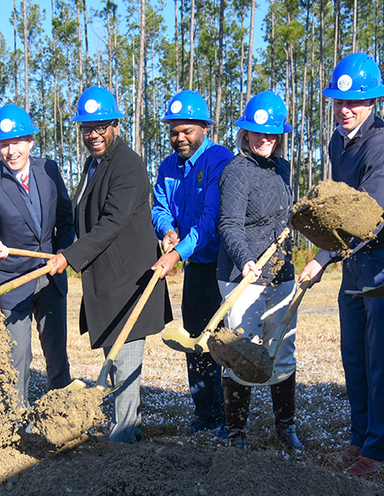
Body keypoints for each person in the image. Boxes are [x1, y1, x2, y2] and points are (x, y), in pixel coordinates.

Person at [298, 53, 384, 476]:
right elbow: (338, 207)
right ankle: (359, 436)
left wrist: (321, 258)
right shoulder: (337, 140)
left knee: (381, 354)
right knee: (354, 353)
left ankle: (377, 450)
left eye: (356, 102)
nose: (345, 109)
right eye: (338, 101)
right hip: (353, 256)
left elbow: (364, 215)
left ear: (373, 103)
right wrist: (328, 255)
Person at [50, 86, 172, 443]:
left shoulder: (128, 164)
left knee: (125, 363)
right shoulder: (93, 164)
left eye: (100, 126)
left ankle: (124, 441)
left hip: (130, 283)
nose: (93, 135)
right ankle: (123, 433)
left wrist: (70, 255)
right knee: (114, 362)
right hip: (107, 284)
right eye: (87, 128)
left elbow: (112, 223)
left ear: (116, 124)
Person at [0, 104, 74, 407]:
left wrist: (63, 253)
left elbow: (66, 220)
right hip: (13, 281)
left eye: (17, 142)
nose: (11, 150)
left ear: (30, 141)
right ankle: (17, 418)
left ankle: (62, 410)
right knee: (19, 357)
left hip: (51, 277)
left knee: (57, 353)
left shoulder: (49, 170)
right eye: (4, 143)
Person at [216, 91, 303, 451]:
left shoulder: (282, 168)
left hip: (280, 274)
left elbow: (283, 219)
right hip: (243, 276)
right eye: (258, 132)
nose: (265, 139)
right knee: (243, 351)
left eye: (271, 133)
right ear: (245, 133)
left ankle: (286, 427)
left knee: (282, 349)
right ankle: (237, 432)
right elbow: (229, 224)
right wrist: (244, 259)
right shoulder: (236, 171)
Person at [151, 90, 233, 437]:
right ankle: (206, 413)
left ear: (204, 127)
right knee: (195, 341)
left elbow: (211, 218)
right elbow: (158, 206)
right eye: (174, 131)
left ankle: (231, 417)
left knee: (224, 342)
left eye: (187, 131)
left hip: (223, 266)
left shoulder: (219, 159)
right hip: (195, 268)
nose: (180, 138)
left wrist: (175, 254)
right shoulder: (168, 166)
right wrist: (167, 229)